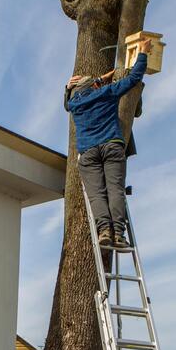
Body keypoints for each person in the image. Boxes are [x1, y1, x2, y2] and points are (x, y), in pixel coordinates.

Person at [65, 39, 152, 248]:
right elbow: (133, 79)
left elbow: (85, 89)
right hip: (111, 146)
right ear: (94, 87)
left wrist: (69, 87)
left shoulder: (74, 103)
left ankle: (104, 230)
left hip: (88, 154)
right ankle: (119, 234)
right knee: (115, 189)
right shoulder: (107, 93)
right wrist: (143, 53)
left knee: (97, 194)